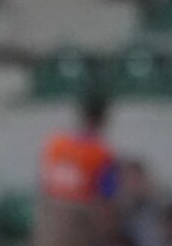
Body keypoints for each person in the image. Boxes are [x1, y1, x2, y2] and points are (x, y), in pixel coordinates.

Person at [34, 92, 119, 246]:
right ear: (104, 119)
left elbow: (44, 186)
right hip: (79, 229)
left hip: (50, 227)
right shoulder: (102, 154)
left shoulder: (55, 144)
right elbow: (106, 203)